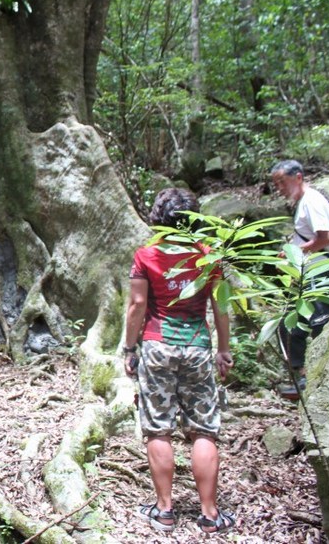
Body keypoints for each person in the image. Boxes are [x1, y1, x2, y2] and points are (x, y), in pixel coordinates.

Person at [123, 187, 235, 534]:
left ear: (158, 219)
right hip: (198, 348)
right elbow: (221, 307)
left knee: (158, 427)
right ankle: (210, 514)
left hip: (157, 347)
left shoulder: (147, 255)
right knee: (204, 429)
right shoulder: (208, 255)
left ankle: (165, 510)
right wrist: (223, 349)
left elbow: (137, 305)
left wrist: (129, 348)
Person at [270, 159, 329, 399]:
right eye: (276, 183)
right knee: (290, 323)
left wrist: (296, 252)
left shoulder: (312, 201)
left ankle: (314, 381)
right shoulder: (304, 202)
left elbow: (325, 238)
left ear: (298, 177)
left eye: (282, 181)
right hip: (310, 272)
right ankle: (302, 379)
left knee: (316, 324)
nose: (279, 188)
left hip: (322, 272)